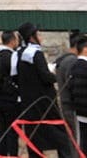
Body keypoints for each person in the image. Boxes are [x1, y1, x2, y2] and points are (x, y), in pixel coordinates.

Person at [16, 22, 76, 158]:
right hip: (44, 103)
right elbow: (44, 76)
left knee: (34, 138)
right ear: (32, 37)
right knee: (61, 136)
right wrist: (55, 75)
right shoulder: (35, 53)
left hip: (28, 104)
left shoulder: (18, 54)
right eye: (38, 34)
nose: (41, 36)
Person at [0, 30, 22, 156]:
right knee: (12, 130)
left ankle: (0, 154)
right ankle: (12, 154)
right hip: (10, 98)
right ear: (13, 41)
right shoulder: (12, 57)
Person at [54, 29, 85, 133]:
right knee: (78, 139)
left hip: (66, 105)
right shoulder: (73, 62)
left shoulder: (62, 61)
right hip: (74, 107)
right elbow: (75, 85)